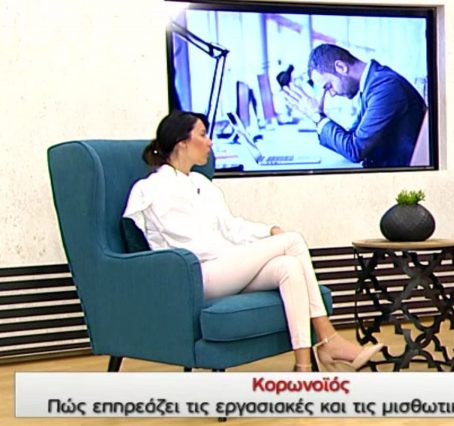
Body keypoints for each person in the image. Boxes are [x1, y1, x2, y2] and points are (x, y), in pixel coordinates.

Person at [123, 111, 382, 372]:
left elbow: (230, 227)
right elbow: (176, 244)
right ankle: (329, 339)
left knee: (288, 267)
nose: (210, 142)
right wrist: (251, 253)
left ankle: (303, 368)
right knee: (293, 242)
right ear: (182, 143)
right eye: (202, 135)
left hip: (225, 268)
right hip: (196, 275)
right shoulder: (152, 188)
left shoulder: (200, 183)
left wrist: (268, 232)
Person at [282, 43, 427, 168]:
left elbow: (355, 149)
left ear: (341, 67)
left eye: (329, 86)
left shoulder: (385, 87)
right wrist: (318, 116)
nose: (331, 93)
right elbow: (351, 137)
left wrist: (317, 117)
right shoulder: (372, 84)